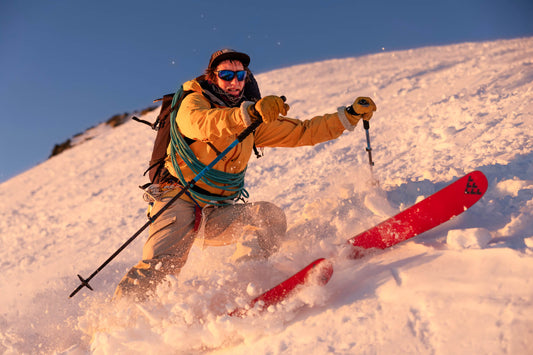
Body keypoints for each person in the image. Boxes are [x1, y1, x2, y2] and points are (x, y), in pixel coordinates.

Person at [114, 49, 376, 300]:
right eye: (226, 75)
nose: (234, 82)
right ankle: (117, 325)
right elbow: (201, 124)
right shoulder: (194, 100)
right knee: (161, 267)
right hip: (177, 198)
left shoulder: (252, 120)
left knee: (267, 217)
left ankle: (242, 286)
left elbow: (302, 131)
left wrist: (349, 116)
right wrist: (248, 112)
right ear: (212, 78)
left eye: (240, 76)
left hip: (215, 210)